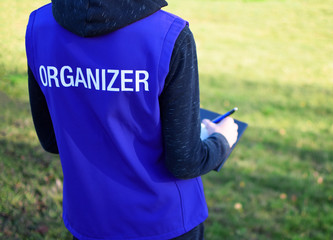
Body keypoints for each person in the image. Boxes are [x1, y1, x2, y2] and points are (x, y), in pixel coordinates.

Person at [25, 0, 238, 239]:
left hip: (90, 219)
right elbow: (184, 161)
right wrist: (222, 139)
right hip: (164, 223)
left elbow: (51, 139)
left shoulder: (39, 26)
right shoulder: (169, 34)